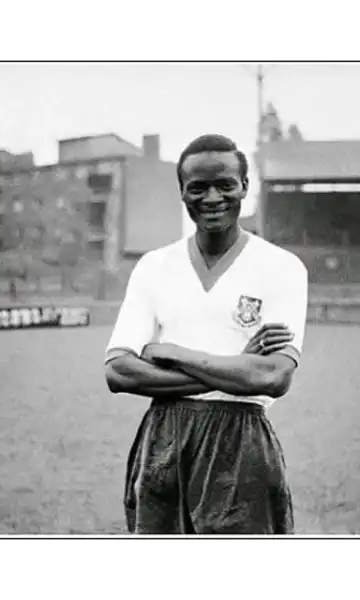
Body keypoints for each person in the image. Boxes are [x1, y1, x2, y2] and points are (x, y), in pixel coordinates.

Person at [104, 134, 308, 534]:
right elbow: (118, 372)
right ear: (182, 192)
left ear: (244, 187)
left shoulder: (282, 267)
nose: (212, 197)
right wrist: (235, 367)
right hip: (163, 439)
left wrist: (173, 352)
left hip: (241, 439)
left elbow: (272, 377)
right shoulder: (153, 266)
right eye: (197, 187)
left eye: (225, 185)